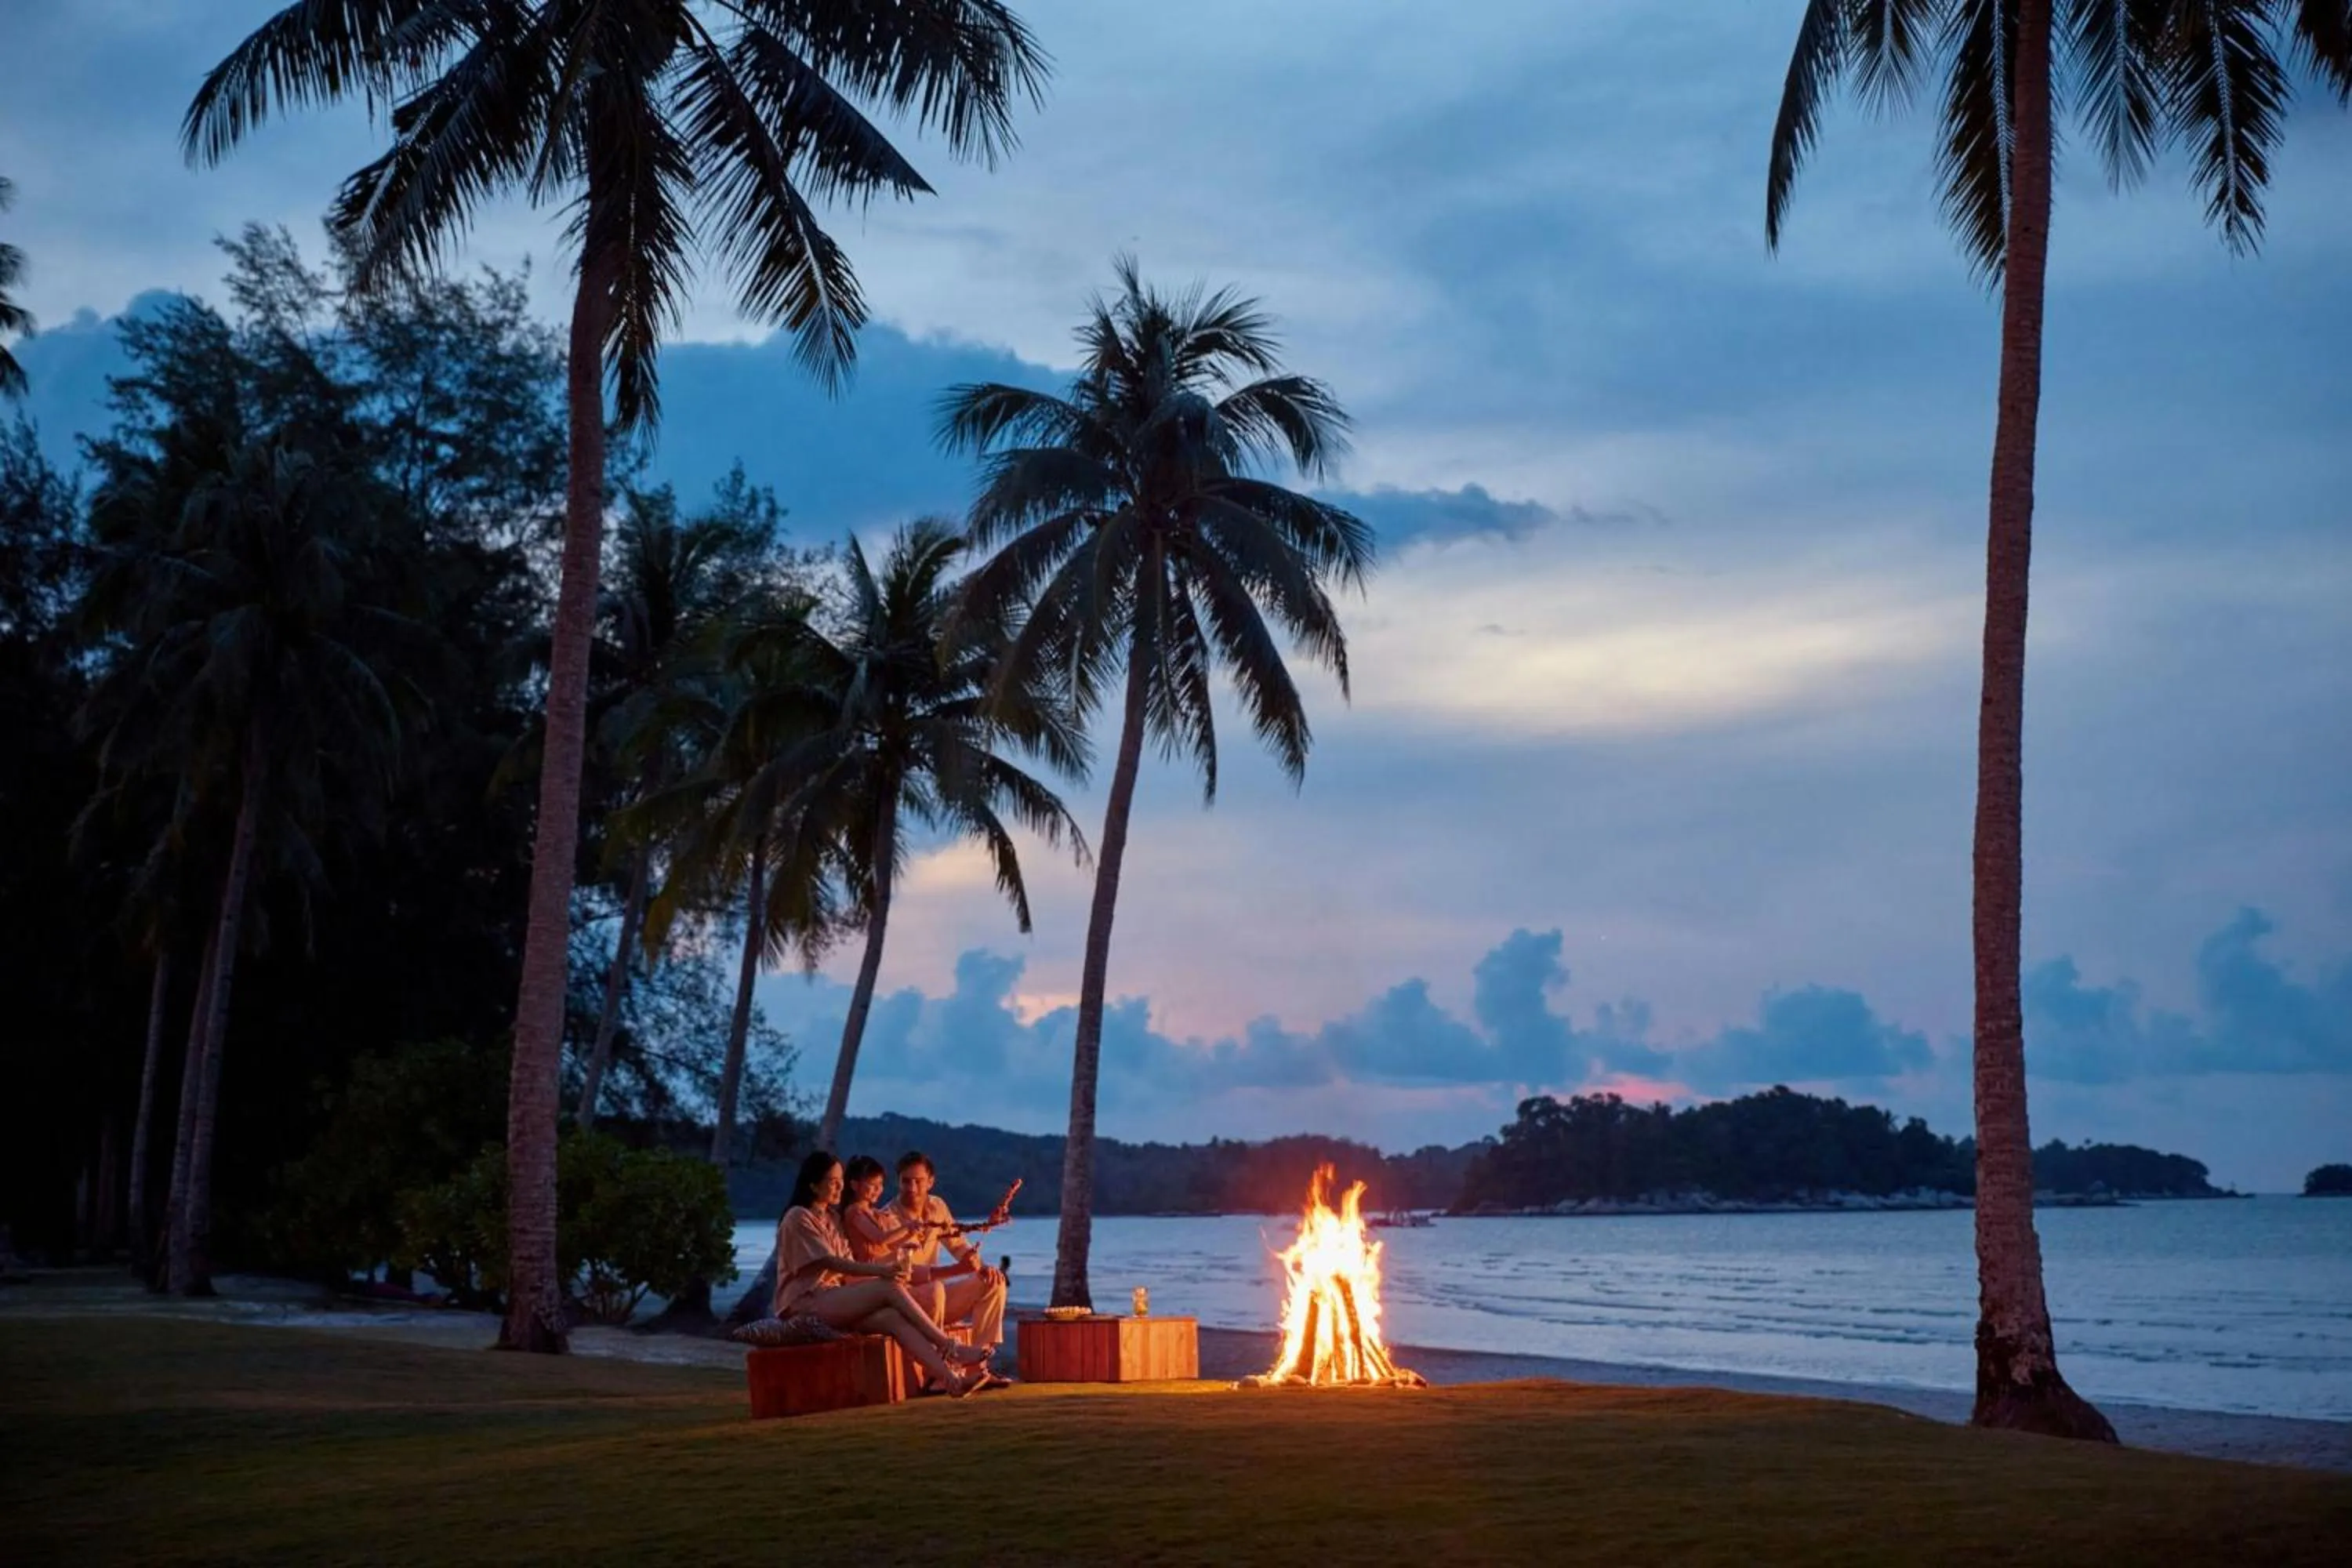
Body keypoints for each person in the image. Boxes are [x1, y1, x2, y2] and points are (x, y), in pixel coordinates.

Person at [771, 1151, 993, 1397]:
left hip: (834, 1299)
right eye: (833, 1181)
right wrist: (883, 1271)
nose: (840, 1186)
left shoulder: (833, 1217)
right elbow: (833, 1263)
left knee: (891, 1317)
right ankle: (950, 1347)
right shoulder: (798, 1217)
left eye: (840, 1180)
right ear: (813, 1185)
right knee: (888, 1286)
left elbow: (848, 1261)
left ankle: (950, 1380)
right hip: (806, 1302)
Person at [890, 1150, 1009, 1374]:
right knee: (935, 1290)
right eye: (906, 1181)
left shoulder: (937, 1207)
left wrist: (980, 1267)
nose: (912, 1188)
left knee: (994, 1282)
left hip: (938, 1303)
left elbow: (957, 1244)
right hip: (909, 1306)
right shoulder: (888, 1219)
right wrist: (955, 1270)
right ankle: (939, 1373)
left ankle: (978, 1368)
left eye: (918, 1181)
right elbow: (904, 1273)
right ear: (898, 1181)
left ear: (931, 1182)